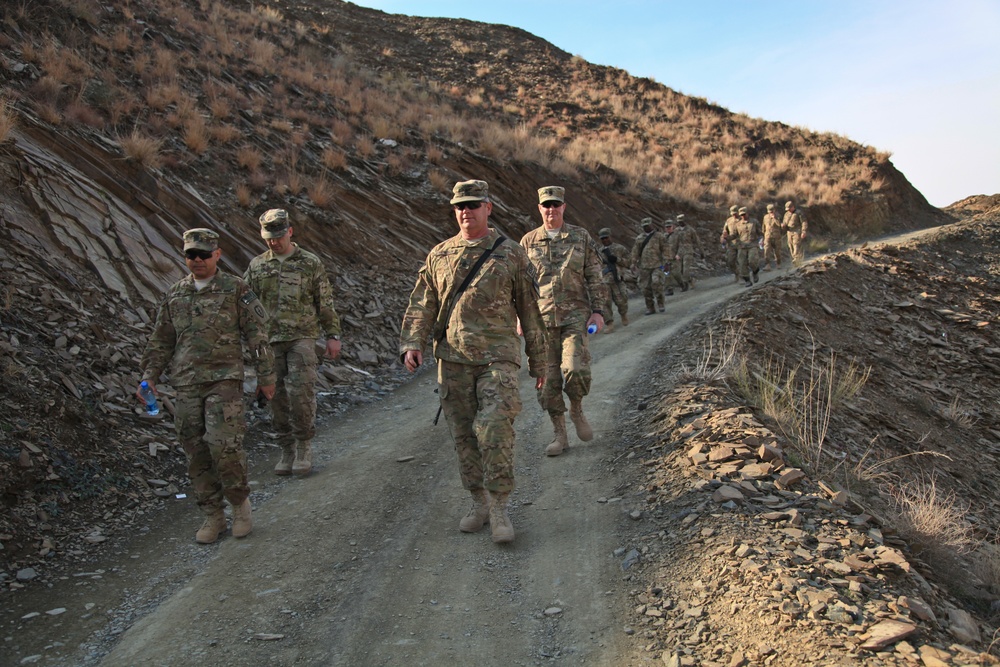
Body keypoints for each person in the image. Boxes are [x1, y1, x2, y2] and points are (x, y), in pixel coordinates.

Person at [399, 180, 547, 544]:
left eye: (473, 204)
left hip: (498, 358)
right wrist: (412, 343)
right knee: (464, 437)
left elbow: (530, 313)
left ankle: (499, 507)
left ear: (488, 208)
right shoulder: (439, 255)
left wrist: (540, 363)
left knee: (495, 427)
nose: (466, 211)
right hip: (452, 360)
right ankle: (478, 501)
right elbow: (423, 304)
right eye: (459, 206)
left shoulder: (511, 254)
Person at [138, 229, 276, 544]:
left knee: (223, 445)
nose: (197, 260)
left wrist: (266, 376)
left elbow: (257, 334)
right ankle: (213, 515)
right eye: (191, 255)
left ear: (217, 254)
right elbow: (161, 340)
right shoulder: (176, 293)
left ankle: (240, 507)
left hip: (224, 381)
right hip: (186, 383)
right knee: (195, 449)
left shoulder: (235, 289)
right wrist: (149, 376)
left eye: (203, 254)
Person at [243, 209, 342, 477]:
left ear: (290, 231)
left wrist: (333, 335)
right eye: (268, 238)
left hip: (302, 338)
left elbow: (325, 301)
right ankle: (286, 448)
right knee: (275, 398)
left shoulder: (310, 263)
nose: (274, 242)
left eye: (278, 236)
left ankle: (303, 446)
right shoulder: (257, 266)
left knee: (301, 395)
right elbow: (245, 302)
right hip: (269, 341)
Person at [520, 186, 609, 458]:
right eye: (546, 205)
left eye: (556, 204)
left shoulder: (580, 238)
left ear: (563, 207)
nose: (551, 209)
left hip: (575, 316)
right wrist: (518, 317)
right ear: (539, 208)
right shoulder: (527, 242)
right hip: (540, 322)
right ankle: (560, 434)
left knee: (575, 369)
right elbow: (519, 286)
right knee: (547, 382)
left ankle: (577, 409)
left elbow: (595, 276)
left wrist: (599, 311)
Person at [631, 217, 671, 314]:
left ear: (652, 225)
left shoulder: (659, 236)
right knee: (645, 288)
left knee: (656, 283)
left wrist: (667, 262)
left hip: (657, 265)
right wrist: (633, 263)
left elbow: (666, 249)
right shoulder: (639, 238)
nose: (646, 228)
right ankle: (650, 307)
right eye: (644, 226)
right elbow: (635, 252)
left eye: (648, 226)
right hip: (644, 267)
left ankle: (661, 303)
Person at [597, 227, 630, 332]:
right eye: (602, 239)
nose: (605, 240)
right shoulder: (598, 252)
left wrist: (617, 260)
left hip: (618, 279)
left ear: (610, 236)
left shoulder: (620, 248)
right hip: (604, 281)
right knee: (605, 302)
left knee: (622, 300)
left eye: (606, 238)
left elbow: (628, 262)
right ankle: (609, 323)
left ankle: (623, 314)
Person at [667, 213, 703, 291]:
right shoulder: (676, 230)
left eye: (681, 221)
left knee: (686, 268)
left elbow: (697, 241)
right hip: (679, 253)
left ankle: (685, 285)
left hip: (688, 251)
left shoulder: (690, 230)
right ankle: (690, 280)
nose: (680, 223)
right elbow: (673, 241)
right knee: (681, 270)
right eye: (679, 222)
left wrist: (702, 252)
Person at [733, 207, 762, 287]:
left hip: (752, 244)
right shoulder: (737, 224)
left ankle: (755, 272)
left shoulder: (754, 222)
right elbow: (734, 235)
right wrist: (725, 238)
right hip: (742, 246)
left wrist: (761, 240)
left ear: (747, 213)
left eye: (744, 214)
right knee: (742, 264)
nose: (743, 216)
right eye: (741, 215)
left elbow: (760, 232)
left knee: (752, 260)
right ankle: (747, 280)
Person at [783, 200, 808, 266]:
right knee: (790, 246)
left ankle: (796, 259)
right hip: (789, 232)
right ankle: (796, 259)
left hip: (796, 231)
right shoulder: (786, 214)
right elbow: (784, 222)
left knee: (796, 244)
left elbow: (804, 222)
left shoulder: (799, 213)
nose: (788, 210)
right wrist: (783, 226)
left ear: (792, 207)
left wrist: (804, 231)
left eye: (789, 209)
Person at [761, 203, 784, 271]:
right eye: (769, 211)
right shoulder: (765, 217)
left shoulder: (778, 216)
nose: (771, 212)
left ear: (774, 210)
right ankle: (767, 265)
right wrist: (763, 237)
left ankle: (778, 263)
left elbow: (780, 225)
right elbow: (763, 227)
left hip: (776, 237)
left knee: (777, 251)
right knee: (767, 250)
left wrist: (775, 218)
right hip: (767, 236)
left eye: (772, 211)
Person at [720, 205, 740, 283]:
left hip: (741, 244)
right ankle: (737, 273)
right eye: (732, 213)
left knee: (741, 261)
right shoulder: (729, 221)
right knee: (730, 261)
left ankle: (743, 275)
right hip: (731, 244)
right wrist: (723, 238)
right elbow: (725, 232)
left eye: (735, 213)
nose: (733, 215)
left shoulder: (742, 219)